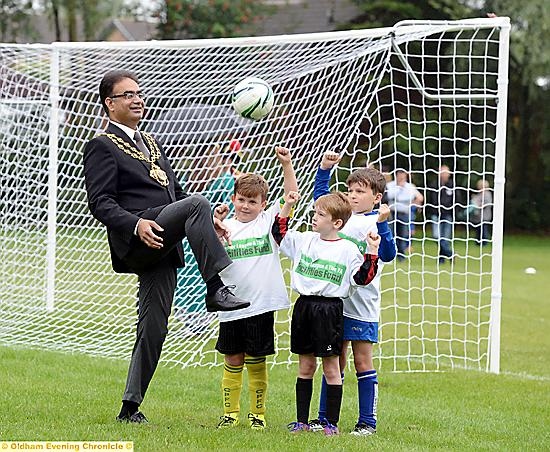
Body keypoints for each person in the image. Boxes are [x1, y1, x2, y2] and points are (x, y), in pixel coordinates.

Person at [82, 69, 250, 424]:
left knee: (154, 328)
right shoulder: (101, 145)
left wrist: (209, 219)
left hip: (164, 242)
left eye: (138, 93)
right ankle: (216, 288)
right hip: (138, 238)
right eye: (127, 95)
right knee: (198, 203)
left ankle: (129, 408)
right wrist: (136, 224)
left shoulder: (153, 142)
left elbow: (178, 195)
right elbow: (100, 202)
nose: (137, 99)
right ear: (110, 104)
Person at [272, 190, 381, 436]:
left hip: (330, 311)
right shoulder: (304, 240)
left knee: (332, 368)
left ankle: (331, 424)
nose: (314, 218)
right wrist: (287, 206)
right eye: (314, 213)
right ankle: (302, 421)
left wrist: (372, 250)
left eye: (320, 215)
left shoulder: (348, 249)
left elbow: (363, 277)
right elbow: (279, 233)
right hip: (304, 308)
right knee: (305, 366)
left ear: (337, 223)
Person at [310, 151, 397, 436]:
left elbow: (387, 254)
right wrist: (324, 170)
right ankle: (325, 419)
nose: (353, 196)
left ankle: (367, 423)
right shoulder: (342, 219)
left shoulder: (375, 222)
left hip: (363, 304)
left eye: (360, 191)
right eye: (350, 190)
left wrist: (383, 223)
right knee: (334, 358)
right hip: (336, 303)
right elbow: (322, 200)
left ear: (376, 197)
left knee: (362, 361)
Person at [213, 146, 298, 431]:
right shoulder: (225, 227)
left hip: (260, 305)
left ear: (263, 204)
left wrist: (286, 163)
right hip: (231, 305)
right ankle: (230, 414)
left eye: (252, 201)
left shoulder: (267, 224)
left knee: (256, 359)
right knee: (232, 357)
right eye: (241, 200)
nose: (246, 205)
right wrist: (217, 223)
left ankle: (258, 415)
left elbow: (290, 196)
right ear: (233, 199)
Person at [173, 141, 242, 334]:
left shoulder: (226, 181)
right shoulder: (186, 180)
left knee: (206, 275)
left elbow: (231, 210)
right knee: (185, 276)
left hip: (213, 237)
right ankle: (189, 318)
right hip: (187, 238)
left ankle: (203, 318)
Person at [385, 169, 423, 261]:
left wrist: (411, 202)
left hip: (405, 213)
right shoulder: (390, 185)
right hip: (392, 213)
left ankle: (401, 256)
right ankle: (391, 255)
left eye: (403, 175)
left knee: (403, 235)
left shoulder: (410, 187)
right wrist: (399, 189)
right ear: (396, 175)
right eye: (399, 175)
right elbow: (389, 196)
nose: (401, 177)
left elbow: (420, 198)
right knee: (391, 234)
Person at [426, 165, 456, 264]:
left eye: (445, 172)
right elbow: (430, 199)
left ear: (449, 174)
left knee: (445, 237)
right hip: (436, 214)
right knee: (437, 236)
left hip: (448, 215)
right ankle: (450, 254)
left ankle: (441, 258)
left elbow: (456, 199)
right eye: (441, 172)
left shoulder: (452, 185)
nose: (443, 174)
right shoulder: (434, 185)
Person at [469, 179, 492, 246]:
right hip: (478, 216)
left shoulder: (487, 194)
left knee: (483, 230)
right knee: (478, 230)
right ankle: (478, 242)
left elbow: (487, 203)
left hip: (484, 216)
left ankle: (484, 242)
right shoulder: (480, 194)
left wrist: (478, 204)